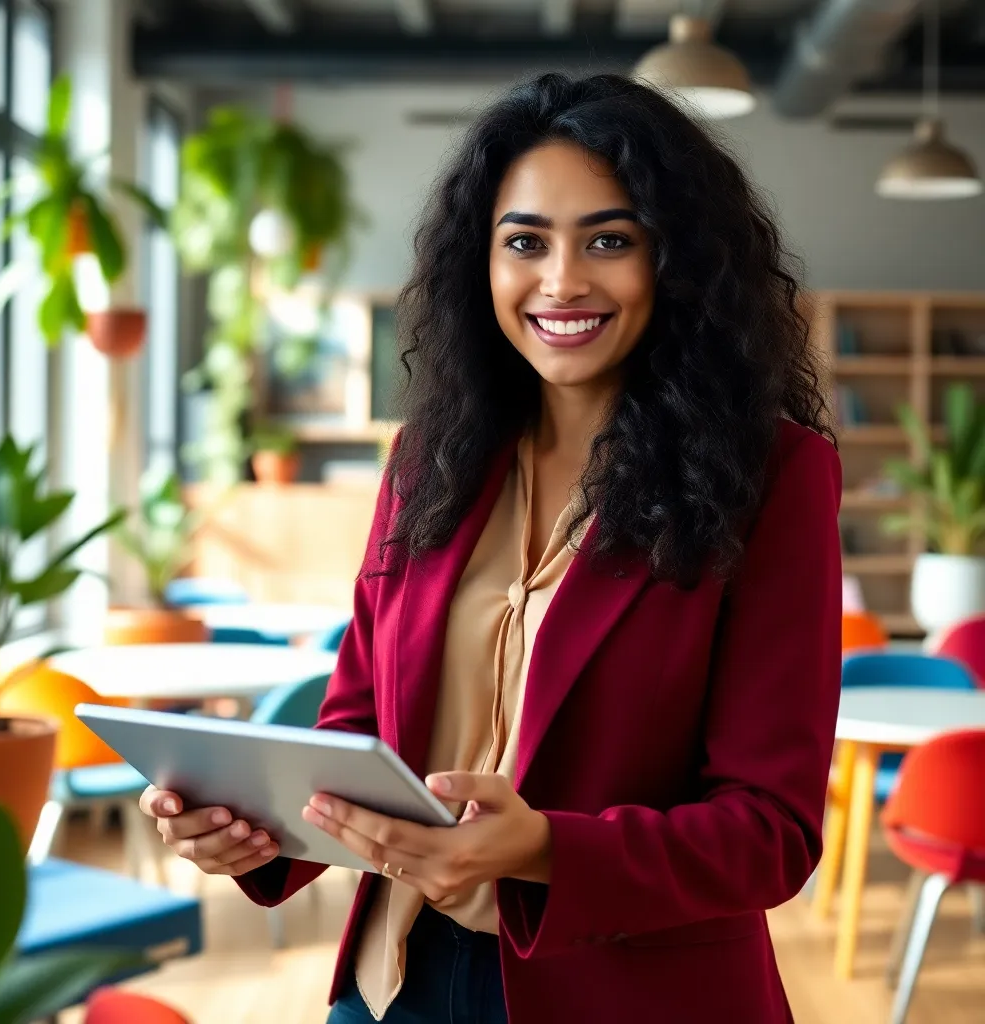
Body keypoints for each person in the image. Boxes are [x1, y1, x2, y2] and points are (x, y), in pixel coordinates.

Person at [139, 72, 842, 1023]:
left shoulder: (775, 475)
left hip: (629, 991)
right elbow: (360, 731)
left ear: (674, 261)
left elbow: (773, 830)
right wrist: (256, 827)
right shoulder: (427, 463)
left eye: (609, 239)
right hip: (397, 980)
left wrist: (544, 847)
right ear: (485, 262)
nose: (561, 281)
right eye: (525, 242)